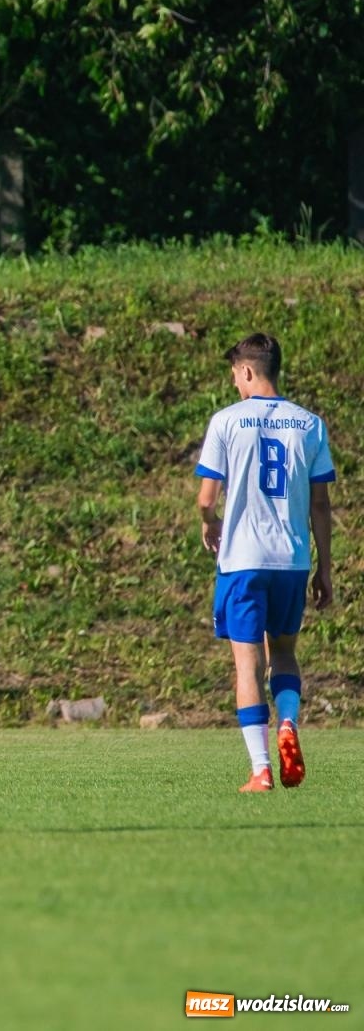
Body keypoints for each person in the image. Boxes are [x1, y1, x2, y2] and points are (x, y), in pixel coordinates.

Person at [195, 333, 333, 792]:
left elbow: (205, 496)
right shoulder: (310, 424)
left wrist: (209, 521)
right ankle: (289, 723)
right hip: (292, 561)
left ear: (248, 371)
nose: (235, 382)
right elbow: (320, 505)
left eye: (235, 373)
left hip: (244, 561)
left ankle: (260, 770)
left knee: (247, 664)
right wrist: (324, 568)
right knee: (286, 653)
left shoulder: (227, 422)